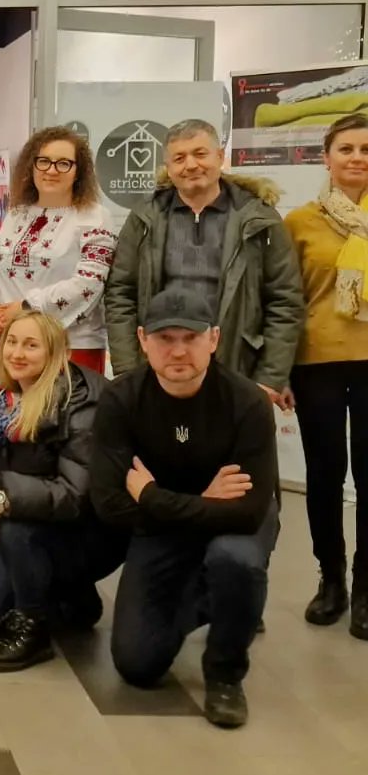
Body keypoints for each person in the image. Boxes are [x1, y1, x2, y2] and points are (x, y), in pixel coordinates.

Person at [91, 288, 279, 729]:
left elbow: (250, 512)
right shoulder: (120, 400)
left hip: (218, 524)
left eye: (190, 338)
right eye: (165, 338)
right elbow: (110, 505)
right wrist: (203, 502)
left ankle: (225, 674)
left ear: (213, 339)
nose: (178, 351)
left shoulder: (248, 402)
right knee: (137, 665)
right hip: (163, 529)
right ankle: (215, 599)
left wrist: (153, 496)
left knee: (235, 561)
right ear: (143, 339)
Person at [0, 312, 127, 671]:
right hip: (35, 523)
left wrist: (4, 498)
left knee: (16, 524)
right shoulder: (8, 396)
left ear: (57, 352)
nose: (17, 353)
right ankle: (74, 600)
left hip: (89, 533)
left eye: (31, 345)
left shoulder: (84, 402)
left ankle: (34, 630)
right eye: (12, 342)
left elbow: (76, 493)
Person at [105, 118, 304, 405]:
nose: (191, 165)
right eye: (179, 158)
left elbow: (284, 301)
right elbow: (120, 294)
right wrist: (127, 371)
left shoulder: (259, 219)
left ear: (220, 157)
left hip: (238, 368)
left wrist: (271, 377)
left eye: (200, 154)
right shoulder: (144, 218)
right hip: (161, 368)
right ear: (168, 167)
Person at [284, 112, 368, 638]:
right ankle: (331, 579)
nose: (357, 158)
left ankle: (366, 588)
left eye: (366, 149)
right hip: (315, 362)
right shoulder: (299, 222)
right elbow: (286, 300)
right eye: (347, 149)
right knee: (324, 473)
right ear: (327, 158)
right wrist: (278, 369)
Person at [0, 127, 115, 373]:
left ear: (78, 171)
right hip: (13, 344)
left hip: (69, 347)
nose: (51, 170)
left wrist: (27, 307)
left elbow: (89, 284)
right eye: (43, 161)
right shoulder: (15, 214)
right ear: (31, 166)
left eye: (63, 163)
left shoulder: (95, 217)